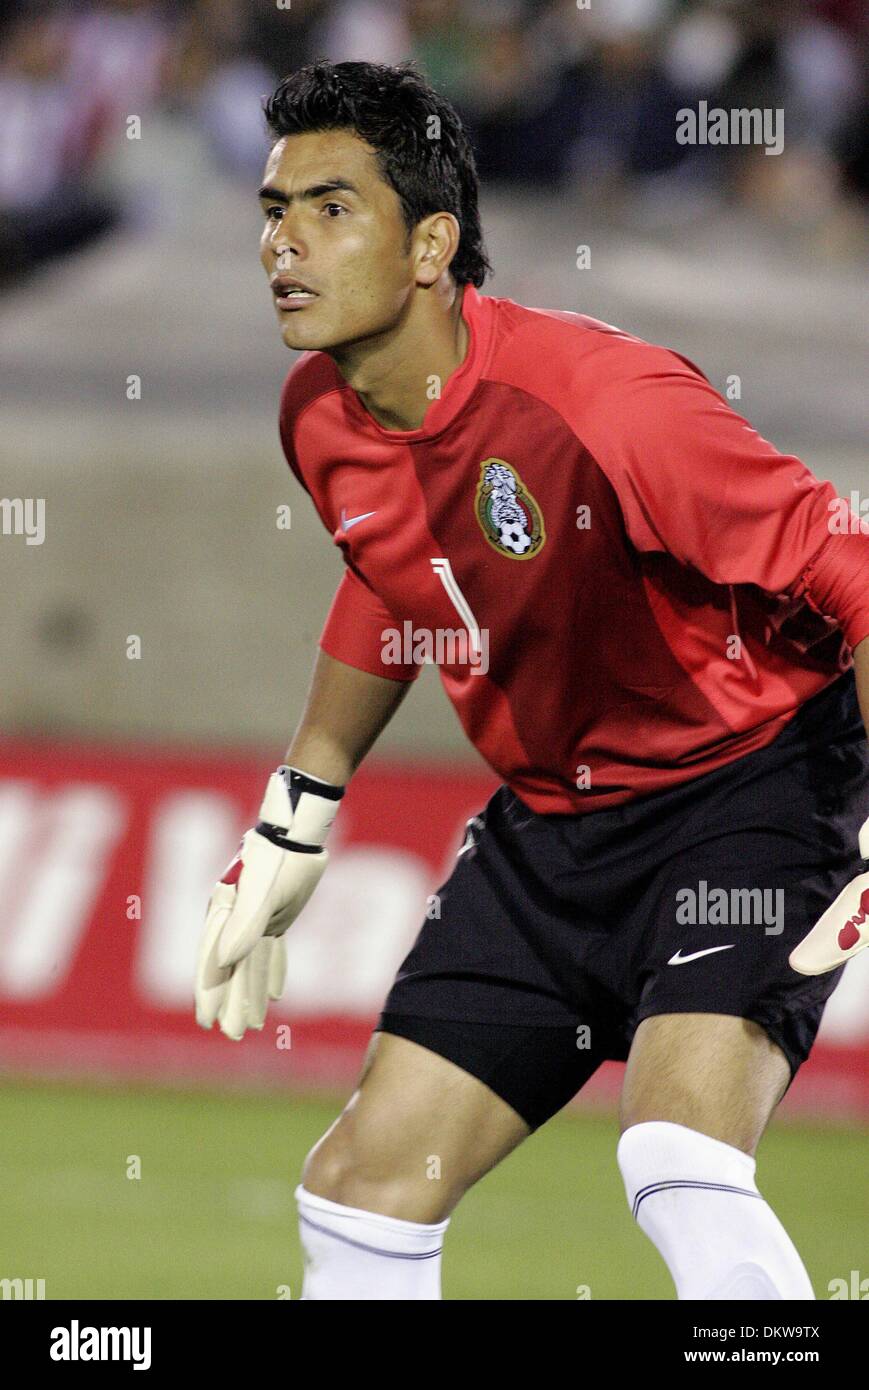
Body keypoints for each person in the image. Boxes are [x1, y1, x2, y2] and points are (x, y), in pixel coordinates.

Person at [195, 60, 869, 1301]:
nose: (281, 243)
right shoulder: (317, 415)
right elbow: (391, 573)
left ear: (428, 245)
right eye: (272, 209)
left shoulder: (606, 403)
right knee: (358, 1192)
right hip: (550, 824)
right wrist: (301, 803)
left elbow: (850, 574)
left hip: (750, 787)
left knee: (676, 1154)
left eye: (329, 208)